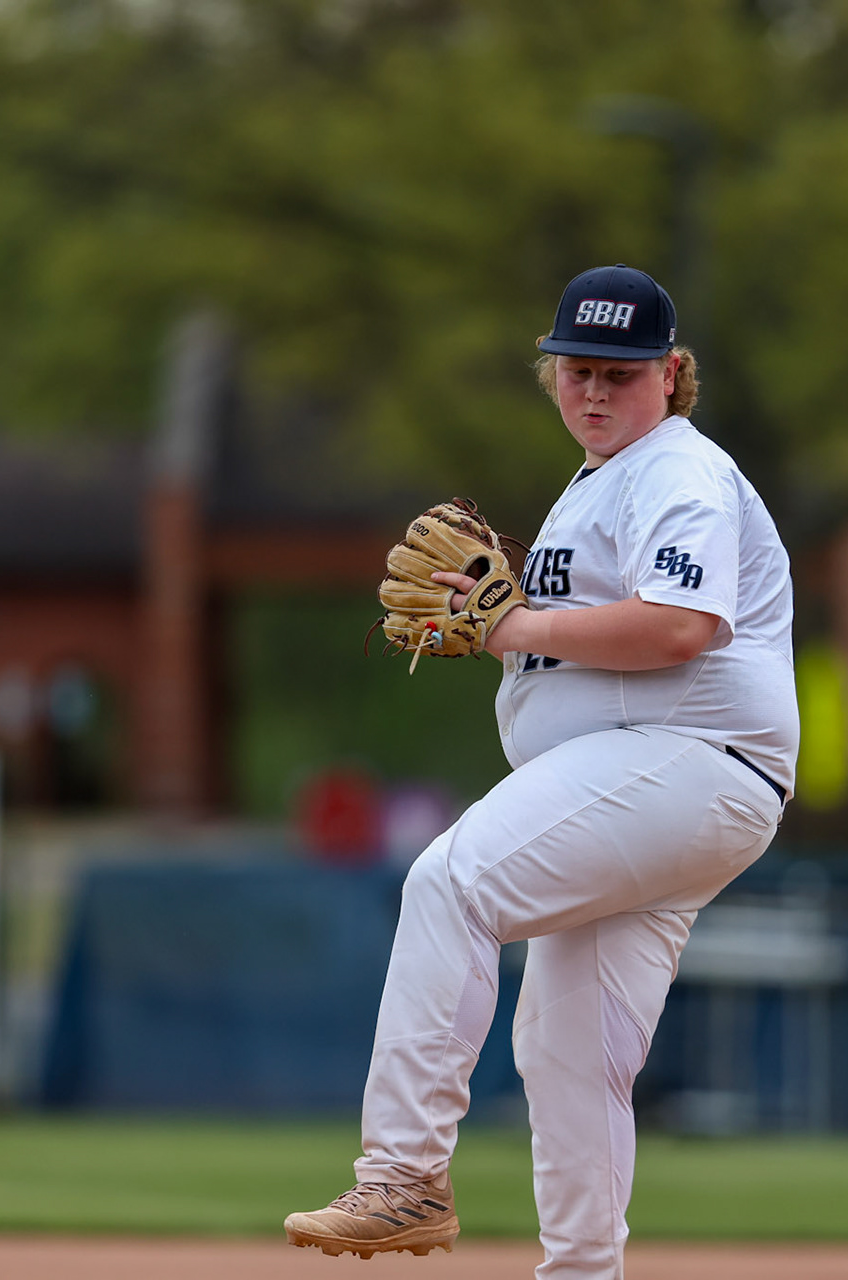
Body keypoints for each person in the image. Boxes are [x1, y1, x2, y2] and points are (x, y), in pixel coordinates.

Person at [284, 263, 798, 1280]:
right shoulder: (602, 481)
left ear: (671, 373)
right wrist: (520, 635)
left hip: (689, 761)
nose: (595, 391)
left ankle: (403, 1173)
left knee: (451, 880)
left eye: (619, 370)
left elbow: (684, 625)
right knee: (568, 1054)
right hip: (658, 785)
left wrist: (509, 623)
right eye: (575, 370)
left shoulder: (676, 471)